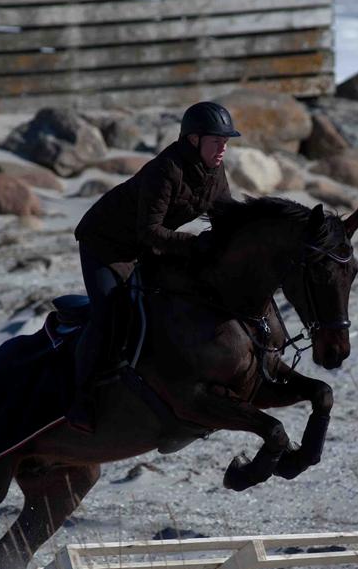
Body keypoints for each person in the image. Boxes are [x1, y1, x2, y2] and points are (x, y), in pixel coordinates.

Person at [67, 101, 241, 432]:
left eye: (226, 142)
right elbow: (149, 233)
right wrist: (195, 244)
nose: (223, 148)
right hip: (106, 245)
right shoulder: (166, 171)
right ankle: (81, 398)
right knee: (109, 315)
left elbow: (227, 219)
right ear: (193, 140)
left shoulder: (215, 171)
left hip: (148, 248)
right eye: (217, 140)